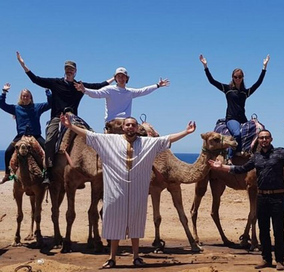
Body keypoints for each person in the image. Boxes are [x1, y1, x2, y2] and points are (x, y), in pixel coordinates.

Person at [60, 114, 196, 269]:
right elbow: (89, 135)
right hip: (116, 190)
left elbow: (167, 139)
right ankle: (112, 258)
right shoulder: (110, 140)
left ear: (137, 128)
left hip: (137, 190)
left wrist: (186, 132)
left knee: (136, 224)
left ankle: (136, 257)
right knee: (114, 224)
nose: (130, 127)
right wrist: (70, 127)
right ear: (123, 128)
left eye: (133, 125)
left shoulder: (146, 143)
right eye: (128, 125)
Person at [209, 129, 284, 271]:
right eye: (261, 138)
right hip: (262, 197)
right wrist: (222, 167)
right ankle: (266, 259)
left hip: (277, 197)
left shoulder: (280, 152)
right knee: (263, 230)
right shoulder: (256, 157)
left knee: (278, 231)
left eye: (266, 138)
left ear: (271, 139)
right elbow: (241, 169)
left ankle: (280, 260)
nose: (264, 140)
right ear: (258, 140)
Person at [16, 51, 114, 185]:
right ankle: (48, 171)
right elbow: (36, 79)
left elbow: (98, 86)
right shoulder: (55, 83)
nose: (69, 71)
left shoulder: (79, 86)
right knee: (50, 140)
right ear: (65, 71)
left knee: (92, 135)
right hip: (58, 117)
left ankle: (98, 167)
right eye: (67, 69)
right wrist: (23, 65)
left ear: (75, 71)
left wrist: (113, 78)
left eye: (71, 70)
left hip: (74, 118)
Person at [199, 54, 269, 158]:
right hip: (231, 118)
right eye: (236, 77)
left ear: (242, 78)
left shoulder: (245, 92)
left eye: (240, 77)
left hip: (242, 119)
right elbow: (212, 81)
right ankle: (230, 157)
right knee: (236, 134)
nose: (238, 79)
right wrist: (205, 66)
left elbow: (258, 83)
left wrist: (264, 67)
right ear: (233, 78)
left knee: (260, 130)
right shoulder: (227, 89)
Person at [74, 67, 170, 126]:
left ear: (127, 78)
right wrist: (84, 90)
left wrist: (157, 85)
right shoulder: (109, 90)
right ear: (115, 78)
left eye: (123, 76)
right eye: (119, 76)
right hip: (112, 123)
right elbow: (96, 94)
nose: (121, 78)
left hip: (126, 123)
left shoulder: (130, 92)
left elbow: (143, 90)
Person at [0, 83, 51, 183]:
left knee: (47, 149)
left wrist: (47, 90)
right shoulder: (16, 108)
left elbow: (50, 103)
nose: (26, 98)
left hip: (36, 136)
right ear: (21, 97)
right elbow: (2, 104)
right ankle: (7, 174)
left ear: (30, 97)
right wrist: (4, 92)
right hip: (21, 136)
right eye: (24, 96)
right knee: (7, 152)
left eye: (27, 96)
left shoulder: (37, 107)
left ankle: (48, 174)